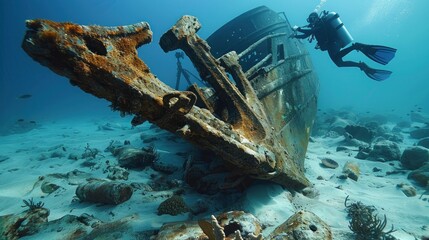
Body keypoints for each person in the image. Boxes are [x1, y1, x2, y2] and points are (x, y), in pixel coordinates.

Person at [291, 11, 397, 81]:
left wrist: (298, 29)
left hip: (333, 43)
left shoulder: (320, 24)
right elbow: (306, 35)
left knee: (337, 59)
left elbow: (311, 31)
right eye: (310, 20)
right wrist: (295, 36)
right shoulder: (316, 25)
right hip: (331, 44)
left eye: (312, 19)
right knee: (339, 63)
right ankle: (360, 65)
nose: (311, 21)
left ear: (316, 18)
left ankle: (355, 47)